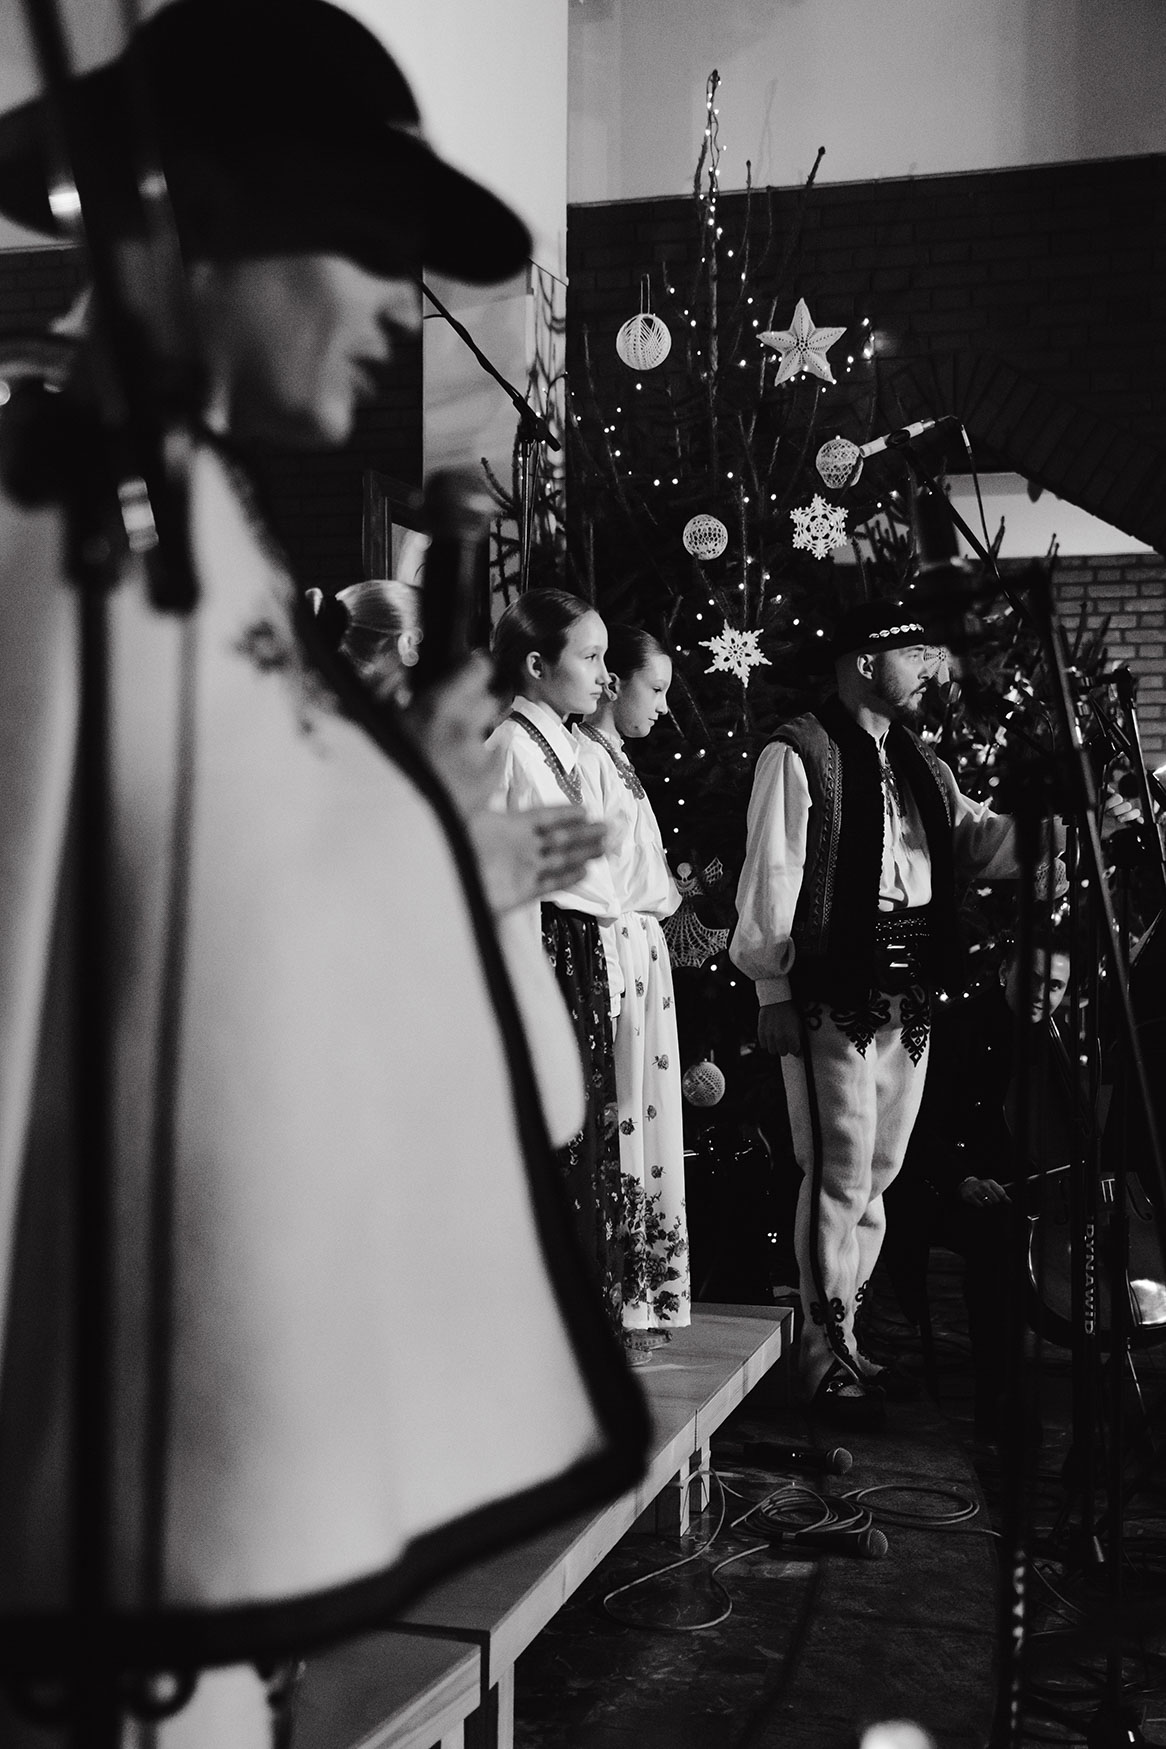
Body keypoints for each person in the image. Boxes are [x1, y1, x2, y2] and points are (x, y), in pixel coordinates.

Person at [0, 6, 646, 1743]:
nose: (395, 311)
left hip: (192, 1520)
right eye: (365, 246)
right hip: (82, 1557)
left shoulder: (198, 537)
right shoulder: (60, 532)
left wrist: (435, 838)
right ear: (211, 219)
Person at [730, 600, 1039, 1429]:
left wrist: (1064, 825)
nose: (933, 667)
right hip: (833, 985)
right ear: (867, 661)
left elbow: (976, 841)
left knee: (879, 1172)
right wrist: (772, 991)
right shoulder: (801, 751)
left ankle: (845, 1337)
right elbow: (772, 877)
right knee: (838, 1170)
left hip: (912, 987)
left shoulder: (919, 760)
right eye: (918, 653)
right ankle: (819, 1358)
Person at [489, 590, 627, 1331]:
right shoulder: (510, 746)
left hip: (577, 944)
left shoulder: (569, 746)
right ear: (537, 665)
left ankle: (580, 1309)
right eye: (592, 657)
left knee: (584, 1126)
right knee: (553, 1126)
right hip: (543, 945)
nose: (606, 676)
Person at [887, 932, 1072, 1448]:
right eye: (1033, 979)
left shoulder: (1055, 1039)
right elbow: (914, 1126)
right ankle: (999, 1400)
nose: (1043, 995)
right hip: (941, 1187)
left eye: (1056, 986)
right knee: (1000, 1245)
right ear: (1005, 972)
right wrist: (961, 1179)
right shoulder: (955, 1029)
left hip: (1019, 1186)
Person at [575, 626, 690, 1355]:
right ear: (613, 682)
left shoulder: (616, 761)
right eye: (655, 689)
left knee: (649, 1119)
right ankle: (619, 1296)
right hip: (618, 949)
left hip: (644, 949)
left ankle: (643, 1292)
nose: (664, 706)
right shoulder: (587, 759)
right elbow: (599, 882)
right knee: (623, 1119)